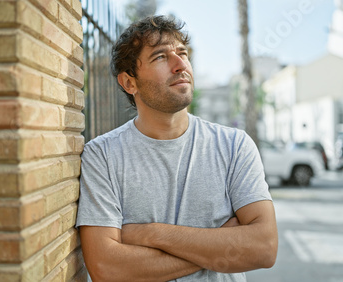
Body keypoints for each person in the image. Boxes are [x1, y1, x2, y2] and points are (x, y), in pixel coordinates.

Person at [75, 15, 278, 281]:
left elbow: (263, 248)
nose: (181, 65)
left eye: (182, 53)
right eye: (160, 57)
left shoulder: (234, 146)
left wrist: (151, 234)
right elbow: (106, 267)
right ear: (129, 82)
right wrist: (220, 245)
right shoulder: (102, 156)